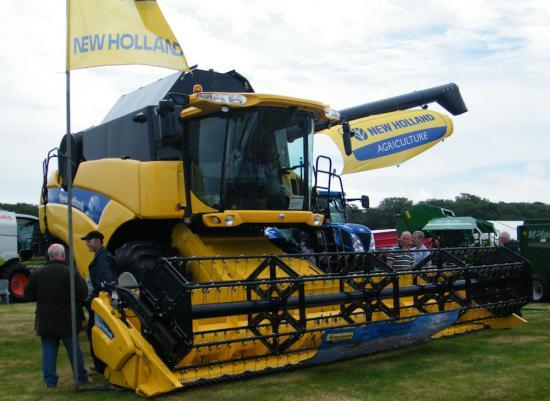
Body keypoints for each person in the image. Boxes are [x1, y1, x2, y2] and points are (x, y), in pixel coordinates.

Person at [24, 244, 89, 388]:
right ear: (63, 255)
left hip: (46, 320)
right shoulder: (71, 273)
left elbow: (27, 294)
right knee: (74, 351)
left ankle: (50, 382)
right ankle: (80, 377)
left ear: (49, 256)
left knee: (48, 352)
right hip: (69, 319)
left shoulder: (38, 274)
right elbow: (84, 293)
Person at [81, 230, 116, 374]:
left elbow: (105, 282)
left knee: (97, 333)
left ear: (97, 241)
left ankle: (102, 367)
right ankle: (102, 366)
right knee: (96, 332)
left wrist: (92, 298)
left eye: (89, 240)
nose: (87, 244)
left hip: (101, 302)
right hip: (101, 301)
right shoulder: (101, 256)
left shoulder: (103, 258)